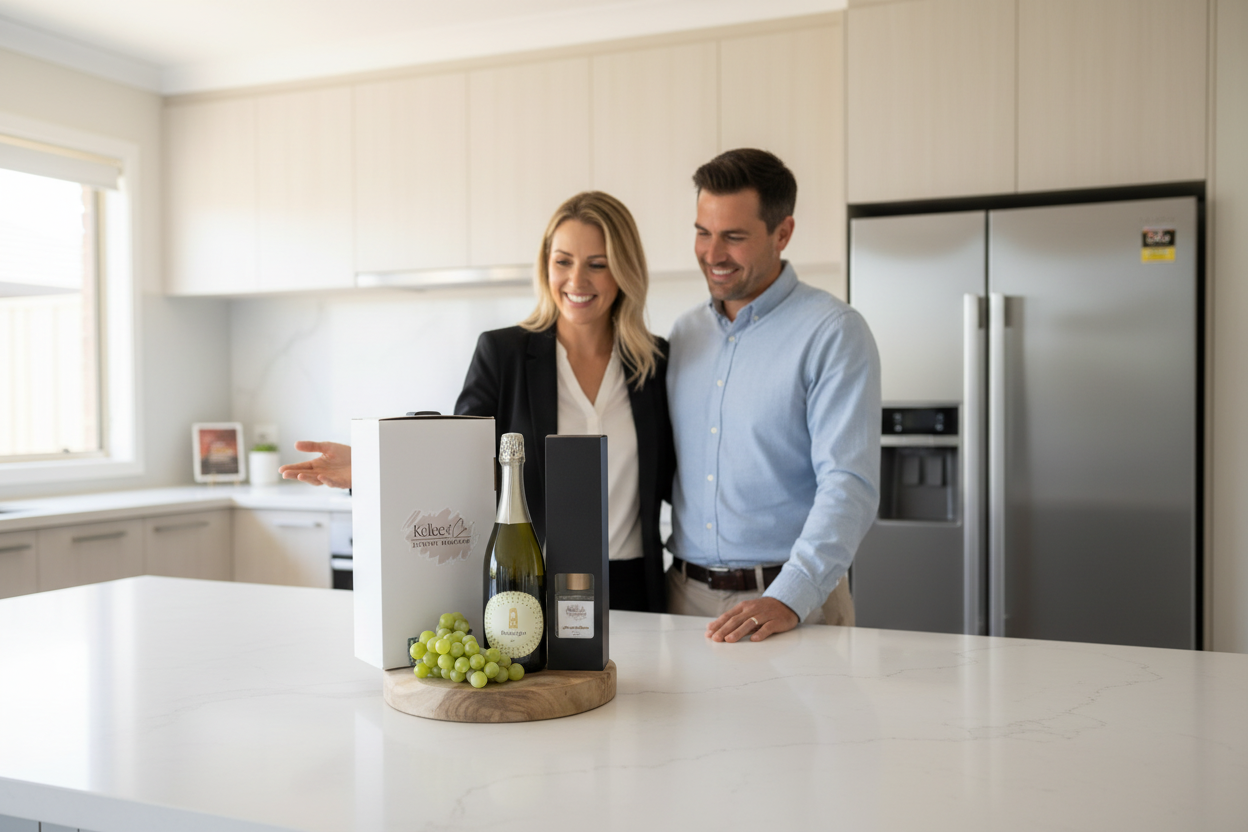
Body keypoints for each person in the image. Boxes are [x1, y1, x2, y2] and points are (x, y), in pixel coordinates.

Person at [280, 192, 675, 613]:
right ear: (545, 265)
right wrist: (371, 467)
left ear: (625, 269)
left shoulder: (655, 363)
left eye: (597, 264)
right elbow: (459, 461)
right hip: (531, 585)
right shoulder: (503, 355)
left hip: (634, 588)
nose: (576, 280)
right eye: (563, 261)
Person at [665, 148, 881, 643]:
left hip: (793, 604)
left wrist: (790, 595)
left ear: (782, 233)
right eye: (703, 232)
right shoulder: (684, 334)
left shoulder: (833, 332)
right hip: (682, 600)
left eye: (734, 237)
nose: (712, 254)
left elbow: (849, 482)